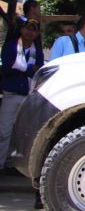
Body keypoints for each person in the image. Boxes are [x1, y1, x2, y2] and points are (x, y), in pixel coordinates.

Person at [0, 19, 44, 171]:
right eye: (28, 28)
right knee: (4, 130)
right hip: (11, 94)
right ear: (21, 30)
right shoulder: (11, 46)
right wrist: (28, 68)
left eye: (34, 29)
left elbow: (38, 71)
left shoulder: (37, 50)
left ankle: (13, 164)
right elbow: (7, 67)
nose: (30, 32)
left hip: (28, 96)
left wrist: (20, 67)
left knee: (22, 132)